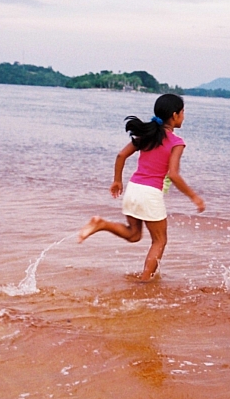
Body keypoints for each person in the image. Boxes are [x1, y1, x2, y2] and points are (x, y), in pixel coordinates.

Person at [77, 93, 205, 280]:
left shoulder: (146, 135)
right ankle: (145, 281)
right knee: (160, 240)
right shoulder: (177, 142)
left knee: (134, 234)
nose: (184, 116)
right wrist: (194, 197)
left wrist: (117, 180)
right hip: (150, 193)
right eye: (183, 112)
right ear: (175, 115)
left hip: (133, 189)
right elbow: (173, 174)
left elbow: (121, 155)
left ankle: (102, 223)